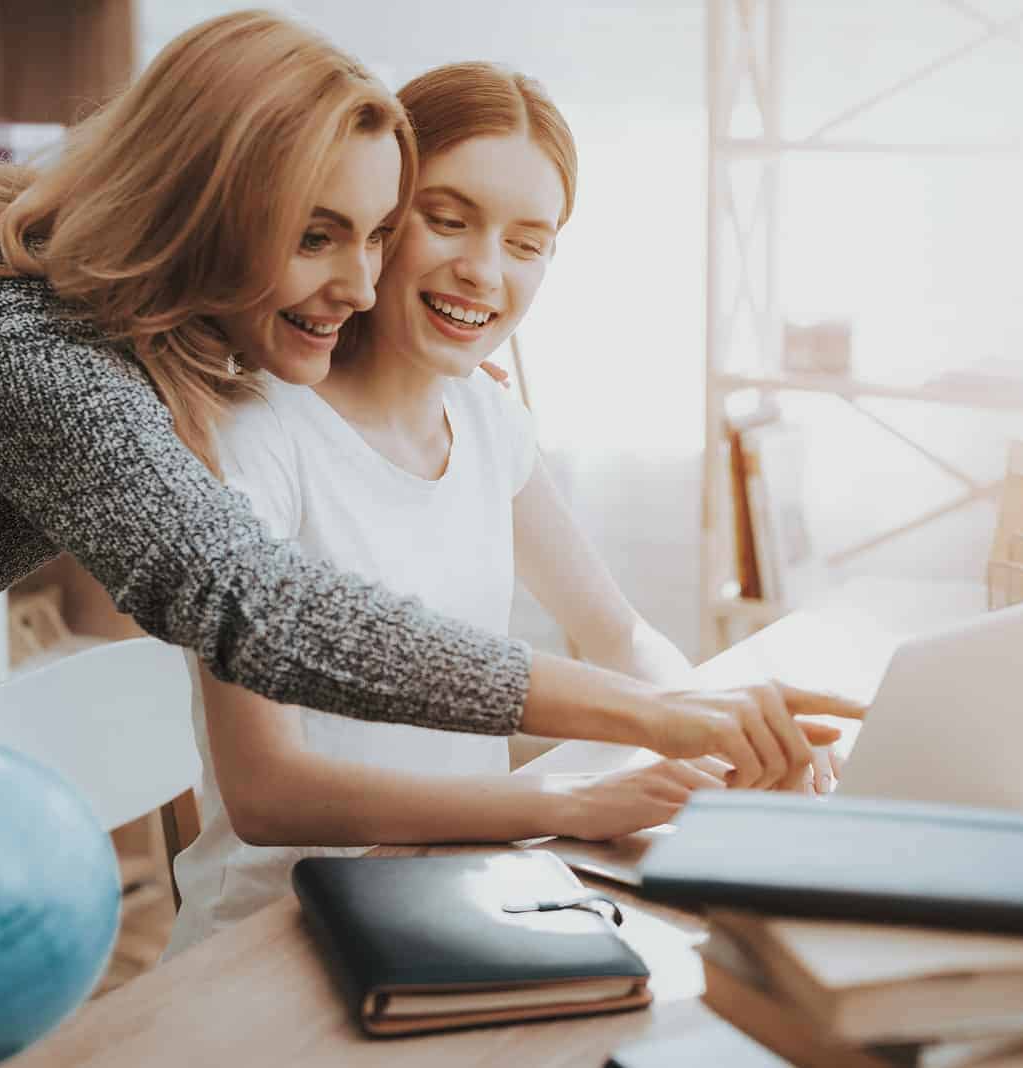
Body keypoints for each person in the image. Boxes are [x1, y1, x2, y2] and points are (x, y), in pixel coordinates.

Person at [0, 13, 858, 775]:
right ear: (200, 208)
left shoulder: (125, 293)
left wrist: (422, 365)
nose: (362, 284)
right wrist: (648, 715)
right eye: (315, 234)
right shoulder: (26, 348)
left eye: (378, 234)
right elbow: (258, 609)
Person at [167, 62, 784, 954]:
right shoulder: (258, 435)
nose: (484, 270)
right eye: (447, 220)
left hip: (459, 904)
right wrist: (564, 801)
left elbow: (617, 636)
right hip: (279, 940)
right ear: (377, 220)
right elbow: (268, 793)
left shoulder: (487, 419)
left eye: (527, 243)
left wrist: (735, 733)